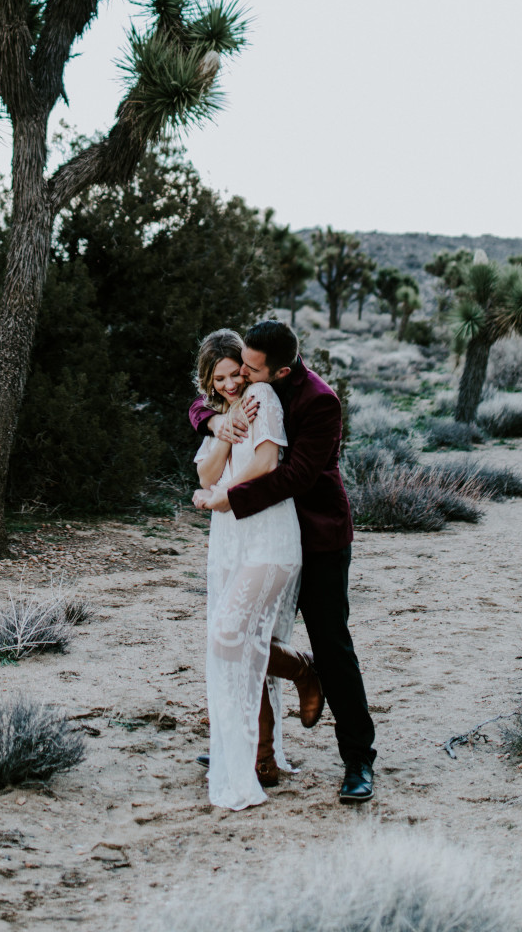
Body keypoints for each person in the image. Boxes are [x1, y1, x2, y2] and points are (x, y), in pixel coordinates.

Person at [189, 319, 376, 804]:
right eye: (241, 368)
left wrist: (226, 497)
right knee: (252, 635)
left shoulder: (320, 402)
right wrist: (213, 420)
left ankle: (358, 758)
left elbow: (293, 474)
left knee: (332, 647)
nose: (243, 377)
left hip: (317, 537)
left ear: (281, 369)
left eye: (251, 370)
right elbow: (207, 393)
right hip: (255, 533)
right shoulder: (252, 378)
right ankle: (257, 750)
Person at [190, 329, 324, 810]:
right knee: (241, 639)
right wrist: (222, 429)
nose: (232, 381)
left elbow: (268, 462)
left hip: (267, 533)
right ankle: (261, 757)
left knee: (229, 637)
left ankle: (303, 669)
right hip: (233, 540)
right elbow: (206, 473)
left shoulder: (264, 397)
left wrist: (224, 497)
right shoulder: (223, 410)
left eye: (238, 371)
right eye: (221, 377)